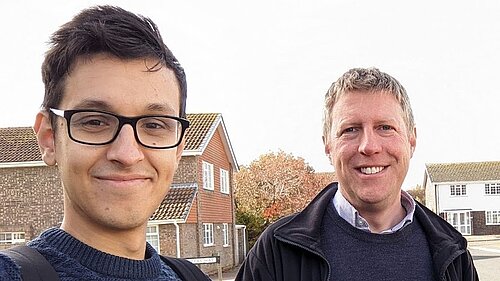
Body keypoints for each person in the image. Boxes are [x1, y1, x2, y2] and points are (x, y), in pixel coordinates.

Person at [0, 5, 209, 280]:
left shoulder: (191, 277)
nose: (127, 153)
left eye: (154, 124)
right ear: (49, 138)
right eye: (95, 122)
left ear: (179, 148)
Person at [236, 67, 478, 281]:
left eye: (385, 127)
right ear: (328, 146)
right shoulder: (277, 251)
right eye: (350, 130)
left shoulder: (453, 253)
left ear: (411, 140)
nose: (369, 146)